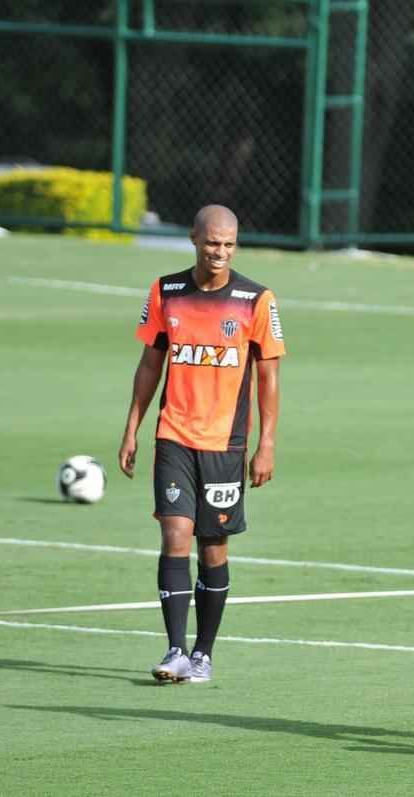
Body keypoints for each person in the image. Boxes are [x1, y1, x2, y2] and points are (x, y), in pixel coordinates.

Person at [118, 204, 285, 684]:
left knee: (213, 549)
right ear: (194, 238)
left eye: (229, 244)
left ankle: (202, 653)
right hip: (173, 435)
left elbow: (269, 377)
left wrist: (266, 443)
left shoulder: (256, 300)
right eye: (212, 242)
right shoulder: (166, 292)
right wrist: (131, 428)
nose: (220, 252)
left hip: (225, 445)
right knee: (174, 535)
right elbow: (150, 365)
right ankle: (174, 650)